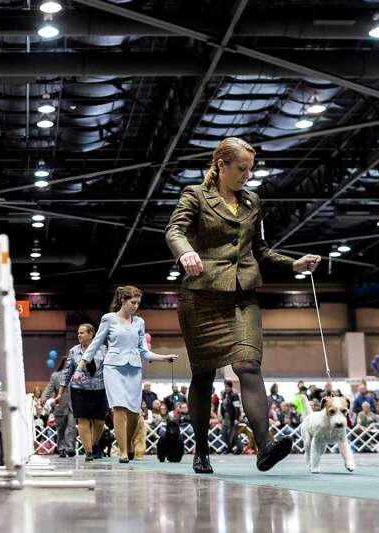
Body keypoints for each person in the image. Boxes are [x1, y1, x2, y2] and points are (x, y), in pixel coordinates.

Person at [166, 136, 321, 474]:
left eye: (250, 169)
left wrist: (292, 264)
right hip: (202, 296)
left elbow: (260, 250)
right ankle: (202, 450)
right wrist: (186, 252)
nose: (247, 176)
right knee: (203, 375)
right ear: (220, 165)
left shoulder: (252, 201)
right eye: (241, 169)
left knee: (248, 365)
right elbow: (174, 231)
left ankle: (264, 447)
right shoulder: (195, 195)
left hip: (242, 297)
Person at [78, 286, 178, 463]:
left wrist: (164, 358)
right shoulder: (108, 319)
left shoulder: (139, 322)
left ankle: (130, 443)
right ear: (123, 301)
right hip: (113, 368)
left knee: (133, 413)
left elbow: (144, 351)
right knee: (119, 409)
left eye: (138, 303)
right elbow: (95, 345)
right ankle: (123, 451)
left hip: (134, 369)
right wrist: (81, 366)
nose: (136, 306)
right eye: (133, 302)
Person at [57, 323, 108, 462]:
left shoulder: (103, 349)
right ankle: (89, 452)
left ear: (91, 334)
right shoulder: (73, 351)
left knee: (100, 422)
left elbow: (110, 370)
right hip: (79, 391)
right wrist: (60, 393)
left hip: (100, 390)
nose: (79, 335)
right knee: (83, 421)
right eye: (78, 333)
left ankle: (93, 443)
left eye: (82, 333)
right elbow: (67, 372)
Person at [41, 357, 75, 457]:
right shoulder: (55, 376)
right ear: (63, 364)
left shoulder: (76, 375)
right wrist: (43, 398)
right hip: (59, 406)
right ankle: (61, 449)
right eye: (67, 363)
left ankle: (70, 448)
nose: (68, 365)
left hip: (73, 406)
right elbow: (49, 388)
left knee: (71, 427)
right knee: (61, 429)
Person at [219, 380, 240, 454]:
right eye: (225, 386)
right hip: (225, 417)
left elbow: (237, 407)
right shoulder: (224, 394)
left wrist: (236, 418)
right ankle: (229, 447)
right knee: (224, 433)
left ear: (230, 387)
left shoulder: (234, 395)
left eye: (227, 386)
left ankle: (238, 447)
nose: (226, 388)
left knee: (232, 434)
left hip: (232, 417)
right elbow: (222, 406)